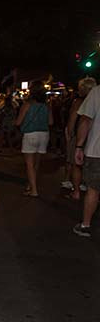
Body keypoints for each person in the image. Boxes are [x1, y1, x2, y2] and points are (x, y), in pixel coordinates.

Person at [15, 80, 52, 197]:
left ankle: (34, 190)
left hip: (30, 134)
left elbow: (18, 122)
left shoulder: (27, 104)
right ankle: (30, 185)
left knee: (29, 164)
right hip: (44, 134)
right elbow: (51, 122)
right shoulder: (47, 106)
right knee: (37, 163)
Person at [73, 84, 100, 237]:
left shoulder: (97, 92)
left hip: (97, 151)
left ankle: (85, 225)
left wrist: (79, 146)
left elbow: (85, 120)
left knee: (93, 189)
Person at [65, 77, 96, 200]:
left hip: (80, 136)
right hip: (93, 136)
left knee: (76, 163)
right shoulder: (96, 100)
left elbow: (73, 120)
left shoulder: (79, 102)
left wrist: (70, 134)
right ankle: (87, 188)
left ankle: (76, 191)